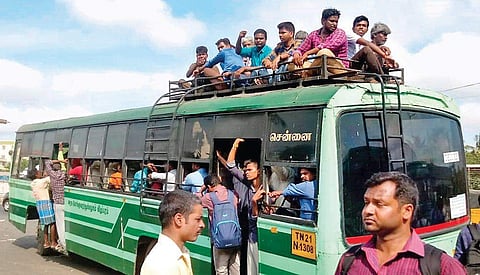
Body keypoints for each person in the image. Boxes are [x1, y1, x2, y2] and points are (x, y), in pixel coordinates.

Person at [335, 171, 466, 274]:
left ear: (407, 211)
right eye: (366, 203)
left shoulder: (442, 266)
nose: (367, 210)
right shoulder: (350, 260)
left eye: (379, 204)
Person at [217, 138, 265, 275]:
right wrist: (235, 145)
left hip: (257, 234)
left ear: (259, 171)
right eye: (245, 170)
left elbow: (256, 218)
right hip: (248, 231)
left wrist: (255, 203)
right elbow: (231, 166)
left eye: (250, 169)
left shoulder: (264, 189)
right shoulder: (246, 182)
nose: (246, 172)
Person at [140, 190, 205, 275]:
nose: (202, 225)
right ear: (179, 220)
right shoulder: (162, 265)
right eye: (198, 219)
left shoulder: (179, 253)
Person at [199, 174, 240, 275]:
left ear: (208, 187)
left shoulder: (208, 197)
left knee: (221, 270)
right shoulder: (233, 194)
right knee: (235, 268)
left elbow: (196, 202)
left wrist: (200, 191)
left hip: (219, 239)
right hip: (235, 237)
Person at [292, 8, 348, 76]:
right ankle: (307, 72)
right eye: (332, 21)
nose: (334, 24)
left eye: (336, 22)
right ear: (323, 21)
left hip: (338, 67)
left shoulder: (340, 33)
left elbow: (326, 46)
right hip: (319, 66)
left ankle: (308, 73)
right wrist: (296, 54)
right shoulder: (313, 34)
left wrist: (308, 53)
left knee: (324, 52)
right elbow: (301, 49)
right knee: (292, 64)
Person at [44, 144, 68, 253]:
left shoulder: (52, 175)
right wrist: (64, 163)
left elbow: (47, 162)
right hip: (66, 202)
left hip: (57, 203)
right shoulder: (64, 175)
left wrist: (59, 161)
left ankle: (63, 244)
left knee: (60, 224)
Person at [31, 176, 58, 249]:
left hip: (39, 204)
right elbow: (53, 177)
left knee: (45, 224)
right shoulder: (43, 181)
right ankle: (53, 242)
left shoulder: (33, 183)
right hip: (46, 202)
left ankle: (46, 242)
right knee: (52, 223)